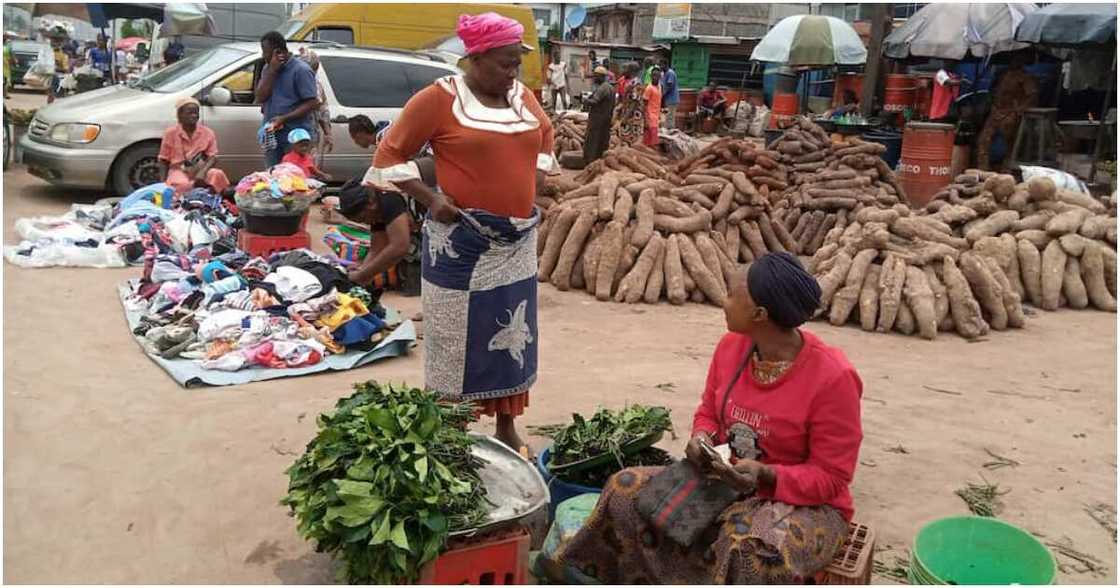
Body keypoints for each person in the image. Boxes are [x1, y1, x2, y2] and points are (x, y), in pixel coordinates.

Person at [541, 252, 863, 584]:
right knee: (624, 491)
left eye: (731, 294)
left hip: (807, 504)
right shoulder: (731, 348)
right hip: (727, 482)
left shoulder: (832, 378)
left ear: (760, 314)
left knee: (750, 552)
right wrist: (703, 437)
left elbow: (833, 477)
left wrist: (767, 476)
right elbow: (709, 410)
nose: (723, 302)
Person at [370, 12, 555, 453]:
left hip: (516, 244)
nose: (514, 73)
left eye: (517, 63)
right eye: (506, 63)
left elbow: (545, 138)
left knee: (513, 335)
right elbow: (388, 155)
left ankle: (507, 425)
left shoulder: (522, 98)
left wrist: (539, 176)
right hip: (462, 244)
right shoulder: (437, 100)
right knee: (454, 339)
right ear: (476, 58)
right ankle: (451, 428)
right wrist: (432, 200)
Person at [336, 177, 415, 298]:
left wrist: (363, 275)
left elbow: (400, 246)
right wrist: (362, 270)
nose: (366, 223)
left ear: (370, 204)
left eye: (363, 219)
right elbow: (376, 248)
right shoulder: (376, 209)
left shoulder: (388, 198)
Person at [255, 31, 320, 168]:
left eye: (265, 52)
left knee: (293, 178)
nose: (263, 56)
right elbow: (260, 97)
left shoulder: (300, 70)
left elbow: (312, 102)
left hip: (294, 136)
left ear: (277, 52)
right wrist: (272, 71)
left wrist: (284, 118)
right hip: (272, 135)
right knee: (273, 176)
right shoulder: (268, 68)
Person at [977, 52, 1039, 171]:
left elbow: (1032, 95)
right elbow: (995, 91)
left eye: (1018, 59)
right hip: (995, 111)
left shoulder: (1024, 77)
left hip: (1010, 113)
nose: (1014, 62)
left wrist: (1020, 109)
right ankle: (982, 171)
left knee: (1010, 145)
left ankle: (1006, 172)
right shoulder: (1002, 74)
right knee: (983, 140)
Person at [159, 97, 231, 195]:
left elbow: (212, 157)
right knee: (182, 184)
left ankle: (211, 201)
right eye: (190, 113)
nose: (194, 115)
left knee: (217, 174)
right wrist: (161, 185)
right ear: (180, 115)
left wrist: (203, 172)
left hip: (200, 169)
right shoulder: (170, 133)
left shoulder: (208, 132)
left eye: (196, 113)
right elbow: (163, 160)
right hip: (179, 170)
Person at [299, 48, 333, 170]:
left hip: (311, 136)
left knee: (309, 168)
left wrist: (328, 133)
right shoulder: (294, 82)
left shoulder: (316, 85)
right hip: (297, 135)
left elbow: (322, 111)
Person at [583, 65, 615, 164]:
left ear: (601, 76)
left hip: (598, 120)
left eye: (596, 76)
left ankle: (591, 162)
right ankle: (600, 161)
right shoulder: (609, 87)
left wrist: (585, 101)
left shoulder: (603, 88)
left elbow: (595, 101)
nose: (594, 78)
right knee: (602, 141)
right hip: (606, 119)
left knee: (593, 141)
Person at [616, 62, 644, 146]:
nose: (624, 71)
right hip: (628, 113)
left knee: (631, 138)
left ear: (631, 70)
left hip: (632, 115)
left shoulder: (636, 83)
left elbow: (634, 102)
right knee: (624, 136)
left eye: (626, 69)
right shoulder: (631, 82)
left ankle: (630, 153)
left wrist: (625, 117)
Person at [46, 32, 71, 104]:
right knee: (50, 94)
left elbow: (66, 69)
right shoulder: (47, 52)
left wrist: (55, 67)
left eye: (56, 41)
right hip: (48, 75)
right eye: (52, 41)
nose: (53, 43)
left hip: (56, 76)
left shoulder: (63, 55)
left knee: (53, 94)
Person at [642, 66, 663, 147]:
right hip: (650, 117)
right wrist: (646, 120)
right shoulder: (649, 88)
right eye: (653, 75)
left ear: (660, 77)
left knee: (651, 141)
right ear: (651, 76)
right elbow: (644, 105)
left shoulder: (660, 86)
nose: (655, 77)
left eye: (657, 75)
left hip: (656, 116)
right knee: (651, 142)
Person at [661, 59, 679, 130]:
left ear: (665, 65)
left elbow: (669, 85)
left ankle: (671, 133)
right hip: (668, 99)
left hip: (672, 99)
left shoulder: (670, 73)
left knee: (670, 117)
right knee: (667, 117)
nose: (660, 67)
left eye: (661, 65)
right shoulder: (665, 73)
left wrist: (662, 94)